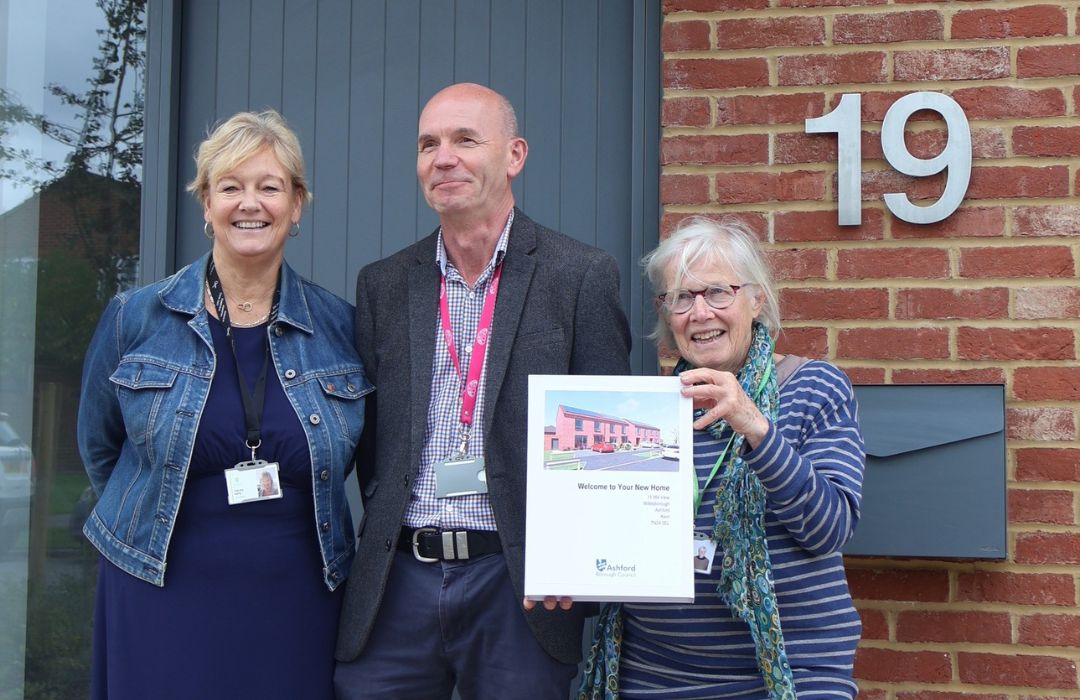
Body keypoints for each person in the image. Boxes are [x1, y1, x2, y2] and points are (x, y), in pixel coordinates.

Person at [334, 83, 631, 699]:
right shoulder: (384, 285)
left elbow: (610, 442)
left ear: (515, 155)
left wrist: (581, 560)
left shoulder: (579, 276)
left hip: (518, 583)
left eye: (466, 140)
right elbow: (367, 441)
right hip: (397, 582)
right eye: (428, 144)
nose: (443, 158)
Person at [77, 110, 371, 699]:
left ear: (296, 205)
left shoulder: (342, 328)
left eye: (269, 186)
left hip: (300, 598)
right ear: (206, 203)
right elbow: (99, 446)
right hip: (158, 587)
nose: (249, 203)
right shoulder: (136, 318)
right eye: (230, 186)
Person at [579, 217, 866, 699]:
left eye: (717, 292)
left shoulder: (815, 388)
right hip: (655, 675)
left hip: (789, 674)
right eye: (681, 298)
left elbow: (829, 529)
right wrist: (565, 576)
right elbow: (605, 535)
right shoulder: (642, 412)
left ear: (757, 301)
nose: (699, 313)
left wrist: (755, 426)